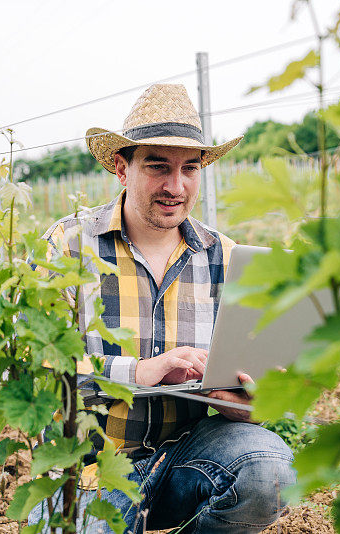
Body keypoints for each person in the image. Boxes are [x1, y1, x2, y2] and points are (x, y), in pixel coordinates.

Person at [29, 84, 295, 533]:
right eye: (158, 166)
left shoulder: (225, 257)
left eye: (190, 168)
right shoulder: (70, 246)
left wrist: (247, 401)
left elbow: (255, 383)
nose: (176, 186)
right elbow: (34, 367)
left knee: (268, 472)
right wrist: (140, 371)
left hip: (187, 456)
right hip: (89, 468)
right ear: (121, 168)